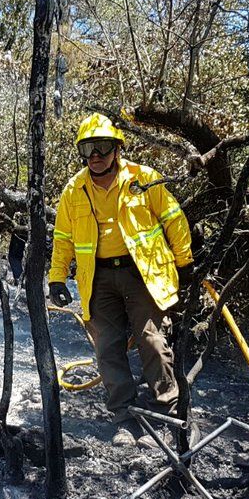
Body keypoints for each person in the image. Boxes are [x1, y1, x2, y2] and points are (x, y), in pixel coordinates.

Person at [48, 113, 193, 448]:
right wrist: (57, 277)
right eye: (88, 148)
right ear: (82, 153)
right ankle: (125, 419)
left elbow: (174, 219)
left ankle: (168, 412)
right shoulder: (74, 190)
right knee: (108, 348)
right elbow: (63, 238)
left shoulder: (143, 179)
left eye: (102, 146)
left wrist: (185, 263)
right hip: (97, 278)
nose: (95, 155)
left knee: (151, 340)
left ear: (116, 148)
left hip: (142, 273)